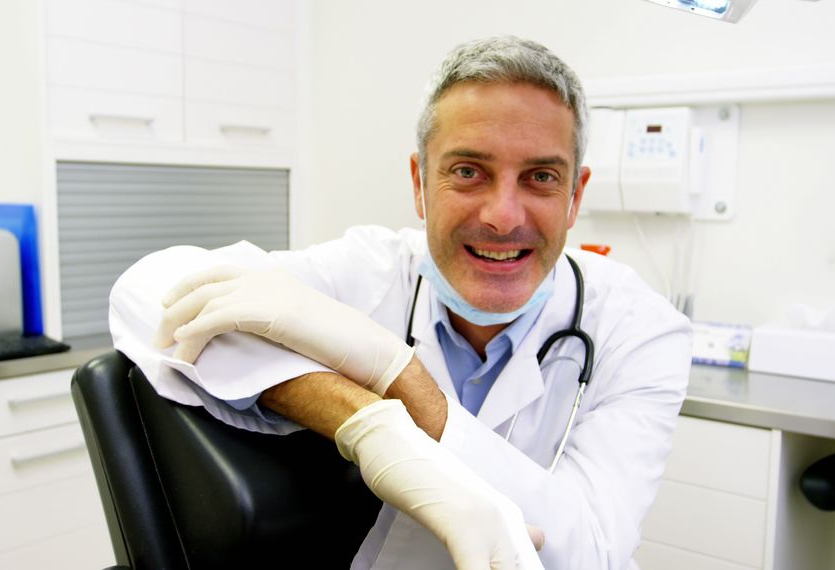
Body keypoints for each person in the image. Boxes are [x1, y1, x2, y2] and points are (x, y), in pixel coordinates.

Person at [109, 36, 691, 569]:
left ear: (574, 197)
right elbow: (151, 291)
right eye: (468, 171)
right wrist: (367, 424)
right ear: (419, 183)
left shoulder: (638, 329)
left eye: (540, 177)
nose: (502, 215)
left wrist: (406, 385)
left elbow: (592, 549)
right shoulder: (372, 270)